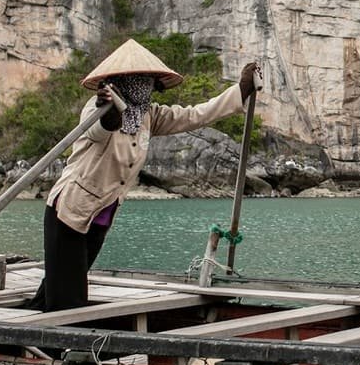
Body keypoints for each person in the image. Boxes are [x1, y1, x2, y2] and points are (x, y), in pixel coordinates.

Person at [27, 39, 259, 312]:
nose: (145, 86)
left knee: (62, 282)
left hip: (102, 213)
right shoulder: (97, 106)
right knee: (68, 293)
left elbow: (196, 115)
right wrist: (110, 115)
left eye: (148, 81)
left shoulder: (149, 115)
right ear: (124, 81)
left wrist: (240, 90)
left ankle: (22, 334)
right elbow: (96, 131)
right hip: (70, 210)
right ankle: (64, 347)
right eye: (139, 80)